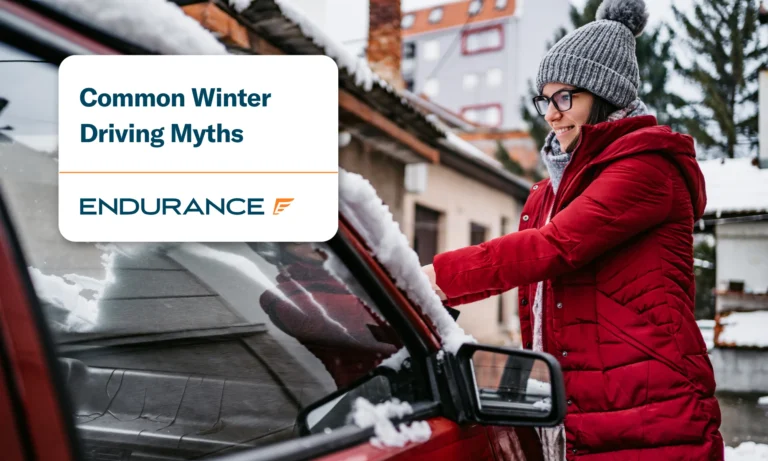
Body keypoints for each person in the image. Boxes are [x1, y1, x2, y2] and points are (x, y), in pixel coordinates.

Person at [421, 0, 723, 459]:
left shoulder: (646, 170)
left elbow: (554, 247)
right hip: (583, 406)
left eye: (567, 97)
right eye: (546, 98)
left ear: (605, 96)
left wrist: (434, 280)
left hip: (649, 407)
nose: (551, 113)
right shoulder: (550, 190)